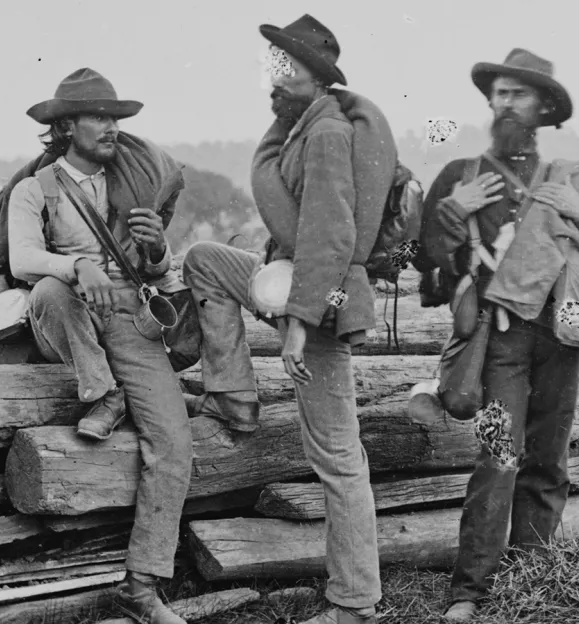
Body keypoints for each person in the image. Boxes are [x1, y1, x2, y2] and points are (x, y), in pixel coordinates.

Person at [418, 49, 579, 621]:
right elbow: (425, 262)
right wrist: (451, 213)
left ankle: (533, 581)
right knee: (499, 457)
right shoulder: (461, 176)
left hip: (560, 338)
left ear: (544, 107)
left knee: (548, 459)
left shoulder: (571, 178)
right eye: (498, 93)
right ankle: (470, 592)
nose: (505, 103)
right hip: (498, 340)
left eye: (517, 93)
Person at [181, 14, 396, 624]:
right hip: (290, 281)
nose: (272, 78)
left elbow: (331, 235)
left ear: (318, 76)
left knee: (337, 456)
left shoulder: (326, 133)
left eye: (285, 67)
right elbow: (296, 224)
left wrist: (298, 324)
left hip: (323, 303)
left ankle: (356, 603)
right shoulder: (299, 126)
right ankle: (234, 396)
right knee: (204, 261)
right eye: (270, 66)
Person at [8, 67, 192, 624]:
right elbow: (22, 259)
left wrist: (157, 249)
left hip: (131, 318)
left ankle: (141, 586)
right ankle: (103, 391)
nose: (111, 126)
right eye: (97, 117)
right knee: (48, 289)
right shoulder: (35, 189)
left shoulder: (130, 184)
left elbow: (155, 274)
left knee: (173, 441)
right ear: (66, 127)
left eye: (114, 116)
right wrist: (76, 266)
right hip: (70, 318)